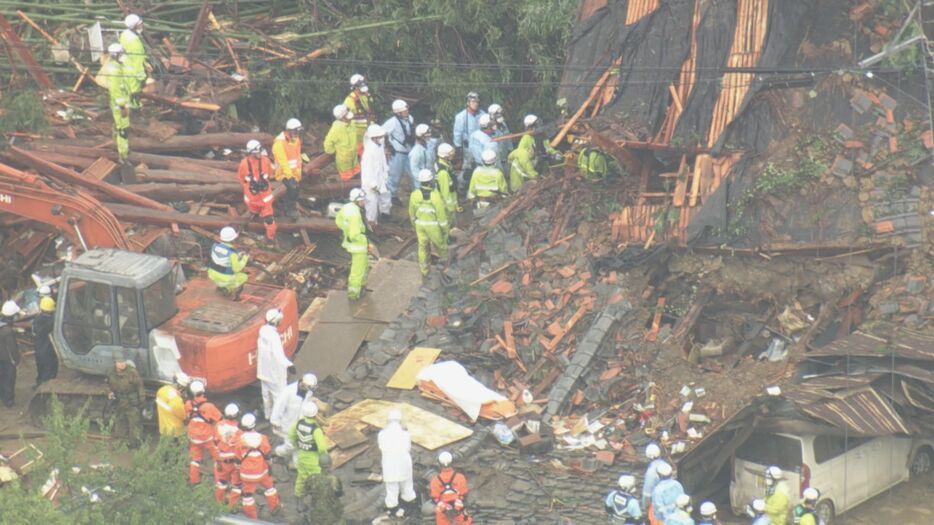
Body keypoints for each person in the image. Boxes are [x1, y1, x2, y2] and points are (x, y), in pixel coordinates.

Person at [270, 373, 318, 467]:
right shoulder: (288, 392)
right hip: (287, 424)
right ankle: (277, 452)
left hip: (299, 423)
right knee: (291, 445)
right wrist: (275, 421)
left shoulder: (308, 392)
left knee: (298, 445)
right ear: (303, 384)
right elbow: (278, 407)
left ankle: (295, 465)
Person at [238, 414, 280, 518]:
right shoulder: (263, 438)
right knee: (270, 488)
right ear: (254, 424)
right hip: (262, 472)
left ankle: (252, 517)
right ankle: (274, 507)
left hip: (247, 474)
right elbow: (267, 454)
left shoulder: (240, 440)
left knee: (247, 495)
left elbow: (238, 457)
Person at [335, 189, 374, 300]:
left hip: (351, 244)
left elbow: (338, 222)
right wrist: (365, 241)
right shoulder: (355, 214)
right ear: (358, 200)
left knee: (364, 267)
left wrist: (345, 231)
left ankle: (362, 287)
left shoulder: (346, 207)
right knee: (358, 271)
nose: (364, 202)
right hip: (359, 247)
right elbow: (355, 234)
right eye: (362, 200)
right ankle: (354, 294)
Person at [409, 169, 449, 276]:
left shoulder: (414, 195)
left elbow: (411, 213)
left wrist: (414, 225)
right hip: (433, 226)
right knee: (442, 247)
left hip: (419, 225)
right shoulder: (435, 196)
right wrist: (445, 231)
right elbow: (441, 216)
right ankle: (446, 268)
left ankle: (424, 271)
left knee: (422, 248)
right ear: (431, 181)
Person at [378, 409, 416, 518]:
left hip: (389, 465)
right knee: (407, 485)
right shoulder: (405, 434)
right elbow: (408, 448)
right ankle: (408, 504)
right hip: (404, 464)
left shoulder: (382, 434)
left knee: (391, 488)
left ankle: (393, 508)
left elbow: (381, 448)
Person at [237, 140, 276, 241]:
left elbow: (270, 174)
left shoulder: (265, 161)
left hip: (264, 197)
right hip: (252, 197)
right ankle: (254, 214)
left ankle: (269, 238)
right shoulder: (244, 164)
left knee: (269, 219)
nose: (260, 154)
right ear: (251, 153)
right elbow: (242, 179)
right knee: (253, 210)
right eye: (257, 152)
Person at [256, 308, 292, 419]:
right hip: (275, 374)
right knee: (279, 397)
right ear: (276, 321)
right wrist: (289, 365)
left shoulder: (262, 332)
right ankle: (278, 419)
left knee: (266, 396)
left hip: (263, 372)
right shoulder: (274, 337)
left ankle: (268, 415)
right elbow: (278, 355)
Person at [289, 402, 329, 499]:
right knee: (317, 480)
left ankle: (299, 499)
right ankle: (317, 499)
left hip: (302, 457)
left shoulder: (298, 424)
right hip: (314, 460)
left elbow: (291, 436)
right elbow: (322, 448)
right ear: (315, 414)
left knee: (301, 478)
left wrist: (299, 446)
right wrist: (325, 458)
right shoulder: (316, 430)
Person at [106, 348, 145, 448]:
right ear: (115, 362)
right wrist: (109, 392)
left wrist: (142, 400)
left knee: (134, 424)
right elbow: (107, 383)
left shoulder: (132, 372)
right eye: (119, 362)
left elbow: (140, 386)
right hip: (119, 401)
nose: (122, 364)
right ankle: (119, 443)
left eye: (123, 362)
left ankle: (135, 444)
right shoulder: (111, 372)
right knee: (120, 422)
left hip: (131, 402)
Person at [99, 43, 131, 162]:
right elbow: (116, 91)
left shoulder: (115, 65)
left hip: (120, 102)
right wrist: (123, 106)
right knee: (123, 128)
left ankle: (118, 147)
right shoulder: (114, 71)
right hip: (119, 104)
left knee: (119, 126)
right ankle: (123, 154)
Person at [185, 379, 221, 484]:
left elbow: (187, 416)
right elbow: (219, 419)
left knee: (195, 460)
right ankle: (220, 481)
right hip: (207, 437)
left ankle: (194, 480)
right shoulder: (209, 406)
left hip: (194, 437)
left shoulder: (188, 404)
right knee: (218, 459)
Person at [452, 92, 486, 189]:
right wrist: (458, 150)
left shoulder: (482, 114)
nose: (475, 104)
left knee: (481, 166)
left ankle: (479, 186)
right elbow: (457, 134)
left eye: (477, 102)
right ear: (468, 103)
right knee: (468, 169)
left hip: (481, 147)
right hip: (468, 149)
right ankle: (462, 187)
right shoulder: (461, 117)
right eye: (473, 102)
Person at [360, 124, 392, 226]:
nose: (382, 139)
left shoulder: (379, 146)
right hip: (371, 182)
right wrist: (373, 184)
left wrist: (386, 172)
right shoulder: (368, 152)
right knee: (372, 202)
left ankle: (385, 213)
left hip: (381, 178)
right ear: (374, 137)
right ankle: (372, 222)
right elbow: (367, 170)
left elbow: (382, 160)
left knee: (385, 194)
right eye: (380, 137)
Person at [382, 100, 415, 198]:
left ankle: (418, 193)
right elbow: (381, 133)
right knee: (394, 177)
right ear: (398, 113)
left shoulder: (410, 119)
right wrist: (386, 147)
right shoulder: (392, 122)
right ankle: (392, 196)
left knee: (414, 174)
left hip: (409, 151)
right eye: (405, 111)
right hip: (397, 154)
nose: (407, 112)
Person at [272, 118, 304, 218]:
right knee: (292, 188)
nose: (296, 134)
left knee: (297, 188)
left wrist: (298, 172)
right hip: (283, 173)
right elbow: (283, 163)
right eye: (295, 132)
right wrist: (290, 177)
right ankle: (289, 209)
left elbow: (298, 157)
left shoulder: (296, 140)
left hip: (294, 173)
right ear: (288, 131)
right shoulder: (279, 144)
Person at [430, 450, 472, 525]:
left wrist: (445, 508)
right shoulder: (460, 477)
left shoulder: (435, 480)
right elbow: (464, 494)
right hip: (459, 508)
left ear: (439, 463)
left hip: (443, 510)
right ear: (452, 462)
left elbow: (435, 498)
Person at [208, 226, 249, 299]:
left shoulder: (214, 246)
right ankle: (228, 289)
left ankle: (220, 286)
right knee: (244, 277)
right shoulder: (232, 253)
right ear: (233, 239)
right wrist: (245, 258)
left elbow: (221, 257)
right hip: (226, 279)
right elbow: (237, 269)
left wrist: (238, 256)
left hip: (212, 275)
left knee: (223, 271)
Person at [302, 455, 344, 525]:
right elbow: (339, 494)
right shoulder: (334, 479)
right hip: (332, 515)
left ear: (319, 465)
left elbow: (305, 492)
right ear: (330, 464)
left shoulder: (312, 478)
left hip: (316, 513)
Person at [214, 403, 242, 507]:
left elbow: (215, 442)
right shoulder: (239, 430)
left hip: (221, 460)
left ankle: (218, 504)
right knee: (237, 486)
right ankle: (232, 506)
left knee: (221, 484)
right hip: (235, 462)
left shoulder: (219, 425)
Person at [119, 14, 150, 107]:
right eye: (140, 24)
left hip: (125, 68)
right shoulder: (134, 42)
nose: (142, 26)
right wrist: (141, 76)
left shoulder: (124, 35)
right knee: (134, 94)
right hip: (133, 73)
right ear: (135, 26)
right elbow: (137, 59)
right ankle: (135, 113)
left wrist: (145, 62)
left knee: (126, 93)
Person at [324, 104, 361, 181]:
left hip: (354, 157)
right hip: (344, 160)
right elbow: (328, 143)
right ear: (342, 118)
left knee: (357, 175)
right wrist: (332, 152)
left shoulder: (351, 124)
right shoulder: (336, 128)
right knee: (348, 180)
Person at [155, 371, 190, 437]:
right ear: (180, 386)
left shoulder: (161, 390)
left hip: (163, 429)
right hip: (175, 432)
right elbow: (183, 416)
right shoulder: (176, 399)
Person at [344, 74, 375, 146]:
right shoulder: (349, 100)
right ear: (355, 87)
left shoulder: (365, 96)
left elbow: (370, 110)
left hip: (368, 130)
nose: (363, 85)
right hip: (357, 134)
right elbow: (344, 120)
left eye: (363, 83)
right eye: (361, 84)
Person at [32, 296, 57, 386]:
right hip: (49, 348)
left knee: (41, 368)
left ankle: (39, 384)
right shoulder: (53, 320)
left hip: (39, 348)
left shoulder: (37, 320)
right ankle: (46, 387)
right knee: (49, 369)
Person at [0, 301, 21, 408]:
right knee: (9, 379)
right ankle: (8, 401)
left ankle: (2, 396)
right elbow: (11, 348)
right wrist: (16, 360)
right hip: (7, 360)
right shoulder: (8, 331)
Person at [435, 143, 460, 217]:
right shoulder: (443, 173)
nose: (453, 155)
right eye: (451, 154)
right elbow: (445, 192)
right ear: (445, 156)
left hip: (452, 198)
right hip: (447, 207)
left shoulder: (446, 164)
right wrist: (451, 208)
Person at [408, 124, 434, 189]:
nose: (429, 137)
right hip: (421, 183)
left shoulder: (428, 146)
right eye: (426, 135)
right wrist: (424, 180)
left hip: (430, 178)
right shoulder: (415, 152)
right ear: (421, 136)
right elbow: (414, 170)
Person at [642, 443, 665, 509]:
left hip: (658, 503)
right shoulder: (665, 464)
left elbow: (647, 493)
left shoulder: (651, 472)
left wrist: (645, 506)